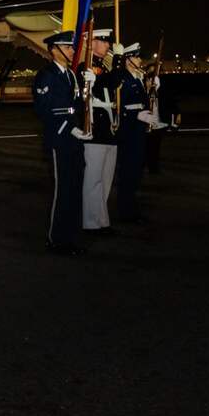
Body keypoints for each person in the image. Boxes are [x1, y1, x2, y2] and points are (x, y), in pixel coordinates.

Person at [33, 31, 91, 256]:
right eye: (67, 48)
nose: (72, 51)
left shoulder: (70, 74)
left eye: (71, 48)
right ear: (54, 49)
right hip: (60, 138)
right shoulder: (46, 75)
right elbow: (44, 110)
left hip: (75, 139)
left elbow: (75, 105)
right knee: (62, 190)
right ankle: (56, 240)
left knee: (75, 189)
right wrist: (71, 128)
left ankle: (71, 237)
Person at [75, 29, 125, 235]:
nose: (108, 47)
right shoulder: (85, 67)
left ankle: (101, 219)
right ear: (92, 42)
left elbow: (111, 82)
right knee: (93, 179)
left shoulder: (101, 68)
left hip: (108, 130)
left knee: (105, 179)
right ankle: (90, 222)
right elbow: (112, 82)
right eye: (104, 43)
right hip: (95, 129)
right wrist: (120, 59)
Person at [115, 43, 160, 223]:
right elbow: (120, 107)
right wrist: (137, 115)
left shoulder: (137, 78)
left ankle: (131, 208)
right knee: (128, 173)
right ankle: (126, 211)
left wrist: (152, 89)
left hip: (138, 132)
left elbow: (142, 102)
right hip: (128, 133)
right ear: (128, 60)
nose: (140, 60)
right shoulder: (123, 79)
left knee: (135, 174)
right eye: (137, 57)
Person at [144, 57, 180, 174]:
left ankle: (154, 167)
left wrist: (177, 113)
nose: (153, 75)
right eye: (151, 72)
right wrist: (148, 89)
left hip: (159, 120)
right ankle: (145, 165)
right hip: (146, 120)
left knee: (156, 145)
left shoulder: (164, 85)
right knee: (146, 145)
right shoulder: (144, 85)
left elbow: (171, 100)